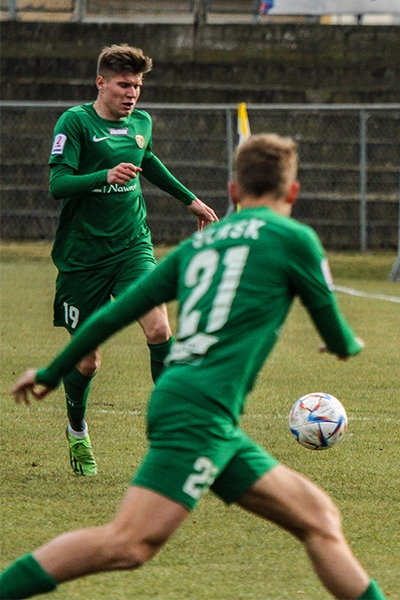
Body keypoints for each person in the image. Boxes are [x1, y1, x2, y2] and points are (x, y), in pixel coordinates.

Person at [2, 133, 386, 600]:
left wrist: (48, 372)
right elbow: (339, 338)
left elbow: (111, 315)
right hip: (199, 413)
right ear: (293, 192)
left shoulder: (197, 248)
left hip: (198, 407)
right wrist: (349, 345)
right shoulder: (294, 238)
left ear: (232, 192)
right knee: (127, 544)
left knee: (319, 519)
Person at [48, 44, 219, 476]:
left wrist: (190, 200)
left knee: (160, 328)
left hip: (132, 248)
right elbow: (58, 184)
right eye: (124, 85)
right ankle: (77, 429)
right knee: (87, 361)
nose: (132, 94)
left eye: (138, 86)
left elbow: (148, 160)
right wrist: (103, 175)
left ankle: (174, 438)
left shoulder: (141, 122)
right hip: (82, 258)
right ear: (101, 82)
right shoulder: (75, 122)